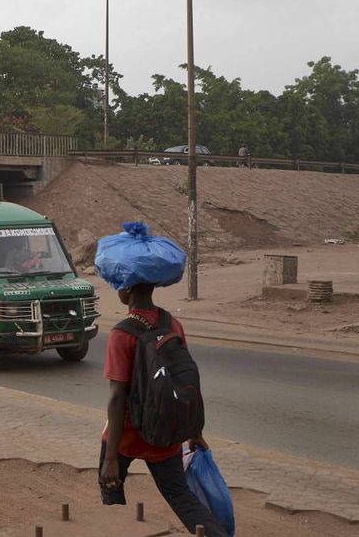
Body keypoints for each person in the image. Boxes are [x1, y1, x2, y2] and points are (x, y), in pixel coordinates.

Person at [97, 223, 226, 537]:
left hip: (126, 435)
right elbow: (184, 379)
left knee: (110, 488)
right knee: (181, 496)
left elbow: (117, 397)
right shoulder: (172, 323)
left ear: (126, 288)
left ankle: (117, 523)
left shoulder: (121, 333)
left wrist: (112, 458)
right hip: (166, 433)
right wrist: (193, 432)